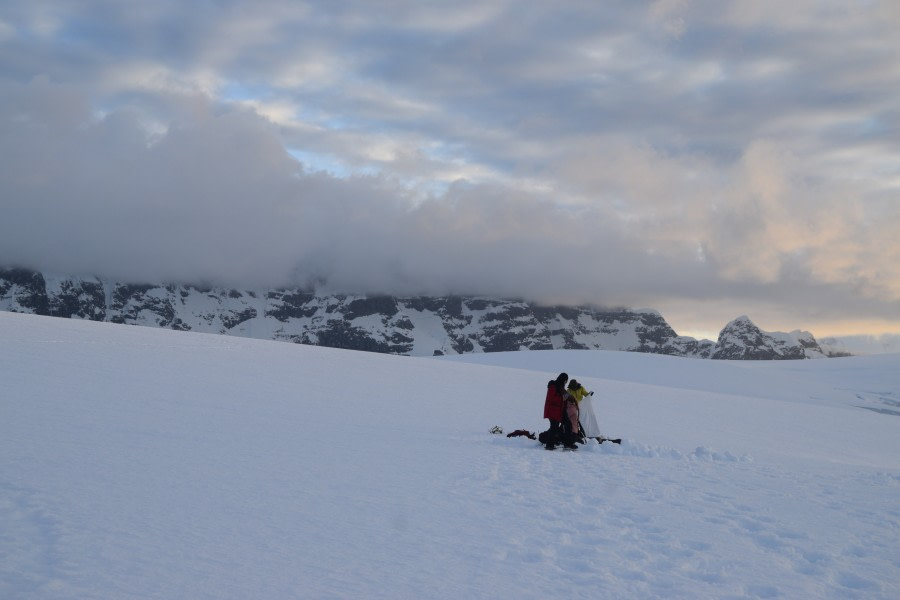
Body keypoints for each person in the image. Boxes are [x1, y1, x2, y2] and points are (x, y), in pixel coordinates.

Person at [543, 372, 577, 450]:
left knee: (568, 424)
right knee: (554, 427)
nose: (566, 382)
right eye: (565, 380)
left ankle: (568, 443)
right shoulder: (553, 386)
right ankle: (549, 445)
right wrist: (563, 399)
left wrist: (570, 399)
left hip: (560, 411)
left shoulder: (560, 387)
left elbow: (565, 395)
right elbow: (551, 399)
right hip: (553, 411)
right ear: (563, 379)